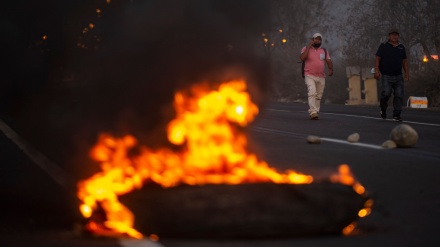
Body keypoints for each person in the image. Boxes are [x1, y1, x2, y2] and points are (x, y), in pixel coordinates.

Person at [374, 29, 409, 122]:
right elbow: (377, 58)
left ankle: (397, 114)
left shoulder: (401, 47)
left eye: (396, 35)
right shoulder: (383, 46)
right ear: (389, 36)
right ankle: (383, 108)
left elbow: (404, 61)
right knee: (386, 93)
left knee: (399, 95)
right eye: (392, 35)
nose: (394, 37)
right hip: (386, 75)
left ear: (398, 36)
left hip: (398, 76)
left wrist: (407, 73)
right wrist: (376, 71)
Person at [300, 33, 333, 120]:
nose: (317, 40)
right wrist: (308, 47)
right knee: (312, 92)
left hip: (321, 76)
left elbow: (328, 60)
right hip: (309, 75)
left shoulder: (324, 51)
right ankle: (313, 112)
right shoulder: (306, 48)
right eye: (315, 39)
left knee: (319, 95)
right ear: (312, 39)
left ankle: (315, 112)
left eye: (319, 39)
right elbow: (302, 58)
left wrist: (330, 69)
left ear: (320, 41)